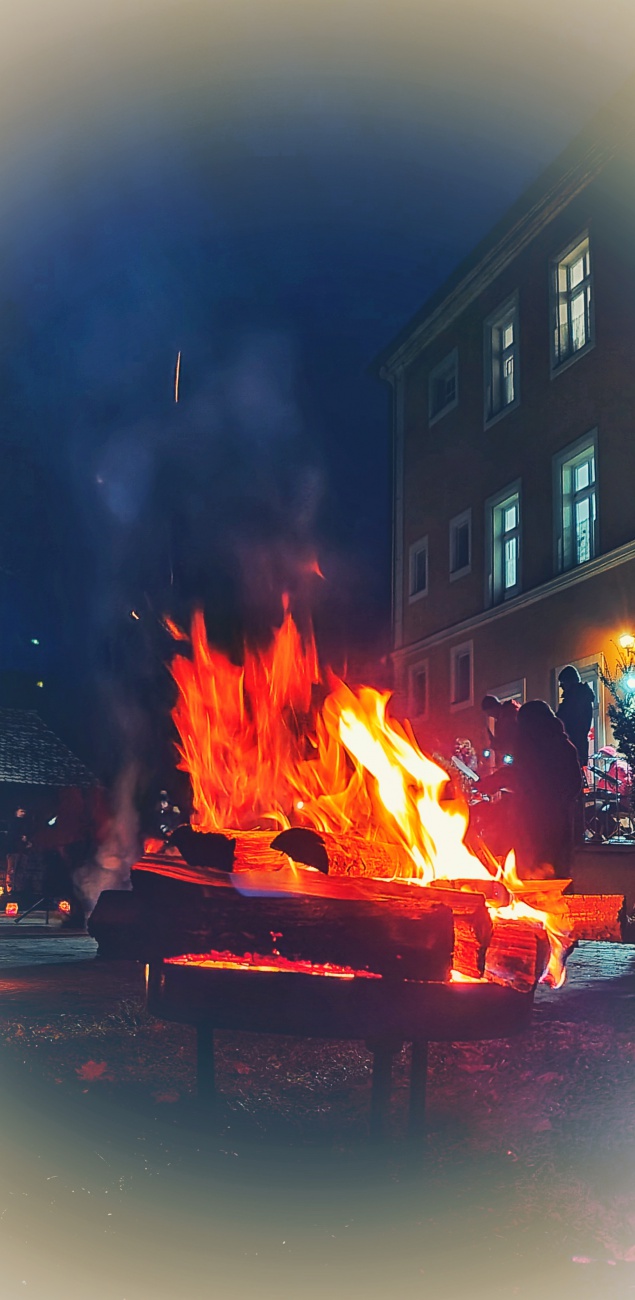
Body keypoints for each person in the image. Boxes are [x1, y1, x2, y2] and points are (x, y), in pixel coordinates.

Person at [481, 700, 582, 878]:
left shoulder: (537, 748)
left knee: (541, 875)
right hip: (556, 824)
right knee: (554, 875)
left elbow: (525, 776)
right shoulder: (563, 747)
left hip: (538, 826)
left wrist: (499, 781)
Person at [556, 666, 594, 769]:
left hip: (572, 746)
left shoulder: (574, 699)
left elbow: (565, 720)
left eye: (563, 682)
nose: (561, 686)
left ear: (569, 681)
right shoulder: (581, 697)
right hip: (577, 746)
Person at [481, 695, 520, 763]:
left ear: (493, 708)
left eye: (489, 712)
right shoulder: (501, 719)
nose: (490, 715)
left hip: (517, 755)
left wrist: (496, 743)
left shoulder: (508, 716)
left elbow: (508, 739)